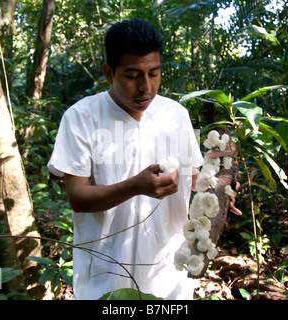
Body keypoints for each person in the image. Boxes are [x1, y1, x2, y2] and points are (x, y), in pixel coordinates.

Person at [47, 18, 204, 300]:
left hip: (169, 274)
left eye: (154, 73)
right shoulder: (82, 118)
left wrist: (217, 187)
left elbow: (193, 180)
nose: (146, 87)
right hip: (106, 276)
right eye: (132, 75)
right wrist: (135, 186)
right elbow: (77, 197)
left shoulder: (175, 115)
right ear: (109, 73)